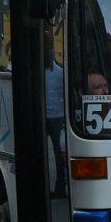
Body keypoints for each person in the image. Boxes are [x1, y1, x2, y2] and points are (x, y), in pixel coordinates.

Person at [44, 38, 66, 198]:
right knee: (59, 155)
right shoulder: (60, 72)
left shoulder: (40, 71)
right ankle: (60, 186)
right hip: (58, 117)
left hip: (44, 117)